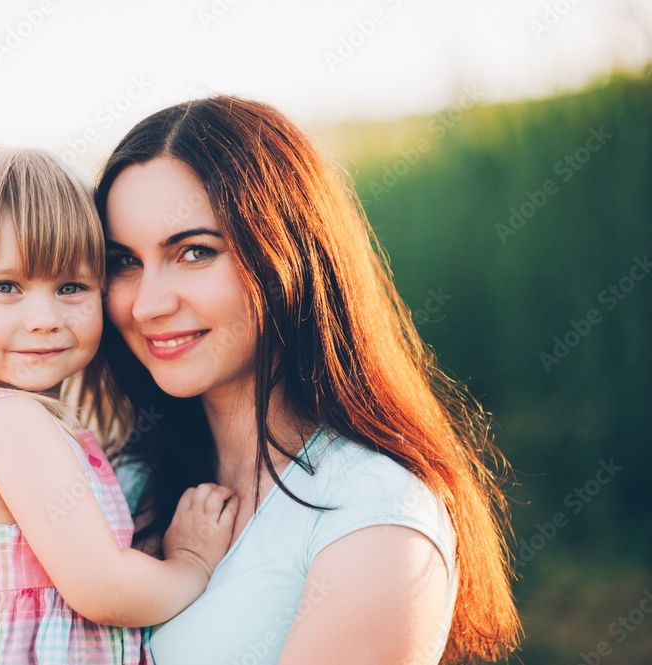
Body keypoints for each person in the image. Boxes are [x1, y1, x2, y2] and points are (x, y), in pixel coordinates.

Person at [86, 97, 523, 664]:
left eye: (195, 252)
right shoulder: (124, 482)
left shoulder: (373, 515)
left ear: (286, 254)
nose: (147, 304)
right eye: (124, 262)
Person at [0, 146, 238, 665]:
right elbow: (104, 590)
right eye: (6, 286)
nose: (44, 318)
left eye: (71, 286)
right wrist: (191, 564)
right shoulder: (12, 424)